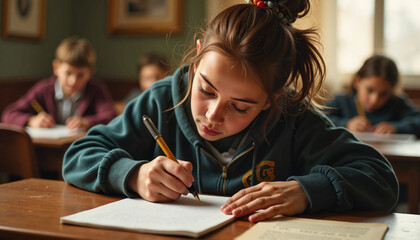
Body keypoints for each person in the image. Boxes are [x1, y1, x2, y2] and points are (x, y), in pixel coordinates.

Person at [63, 1, 398, 223]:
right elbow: (79, 154)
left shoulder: (294, 119)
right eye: (206, 90)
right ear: (197, 57)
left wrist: (306, 191)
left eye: (240, 106)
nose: (212, 115)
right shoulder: (161, 99)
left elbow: (381, 179)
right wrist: (133, 174)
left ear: (271, 98)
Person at [1, 36, 117, 131]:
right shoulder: (43, 89)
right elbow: (9, 114)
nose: (73, 81)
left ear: (90, 73)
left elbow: (111, 116)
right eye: (68, 73)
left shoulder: (96, 90)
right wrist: (31, 121)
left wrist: (87, 122)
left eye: (80, 75)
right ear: (56, 68)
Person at [327, 54, 420, 137]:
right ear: (357, 81)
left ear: (391, 90)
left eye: (383, 94)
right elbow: (319, 118)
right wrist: (347, 124)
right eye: (369, 90)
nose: (374, 100)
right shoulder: (343, 100)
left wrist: (396, 127)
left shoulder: (396, 104)